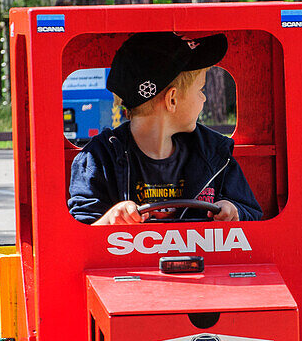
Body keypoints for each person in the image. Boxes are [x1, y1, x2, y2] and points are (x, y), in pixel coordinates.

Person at [68, 31, 263, 225]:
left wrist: (234, 211)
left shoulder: (214, 152)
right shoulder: (100, 158)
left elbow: (252, 213)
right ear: (172, 99)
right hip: (130, 256)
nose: (204, 98)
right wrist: (110, 220)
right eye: (200, 90)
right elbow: (80, 232)